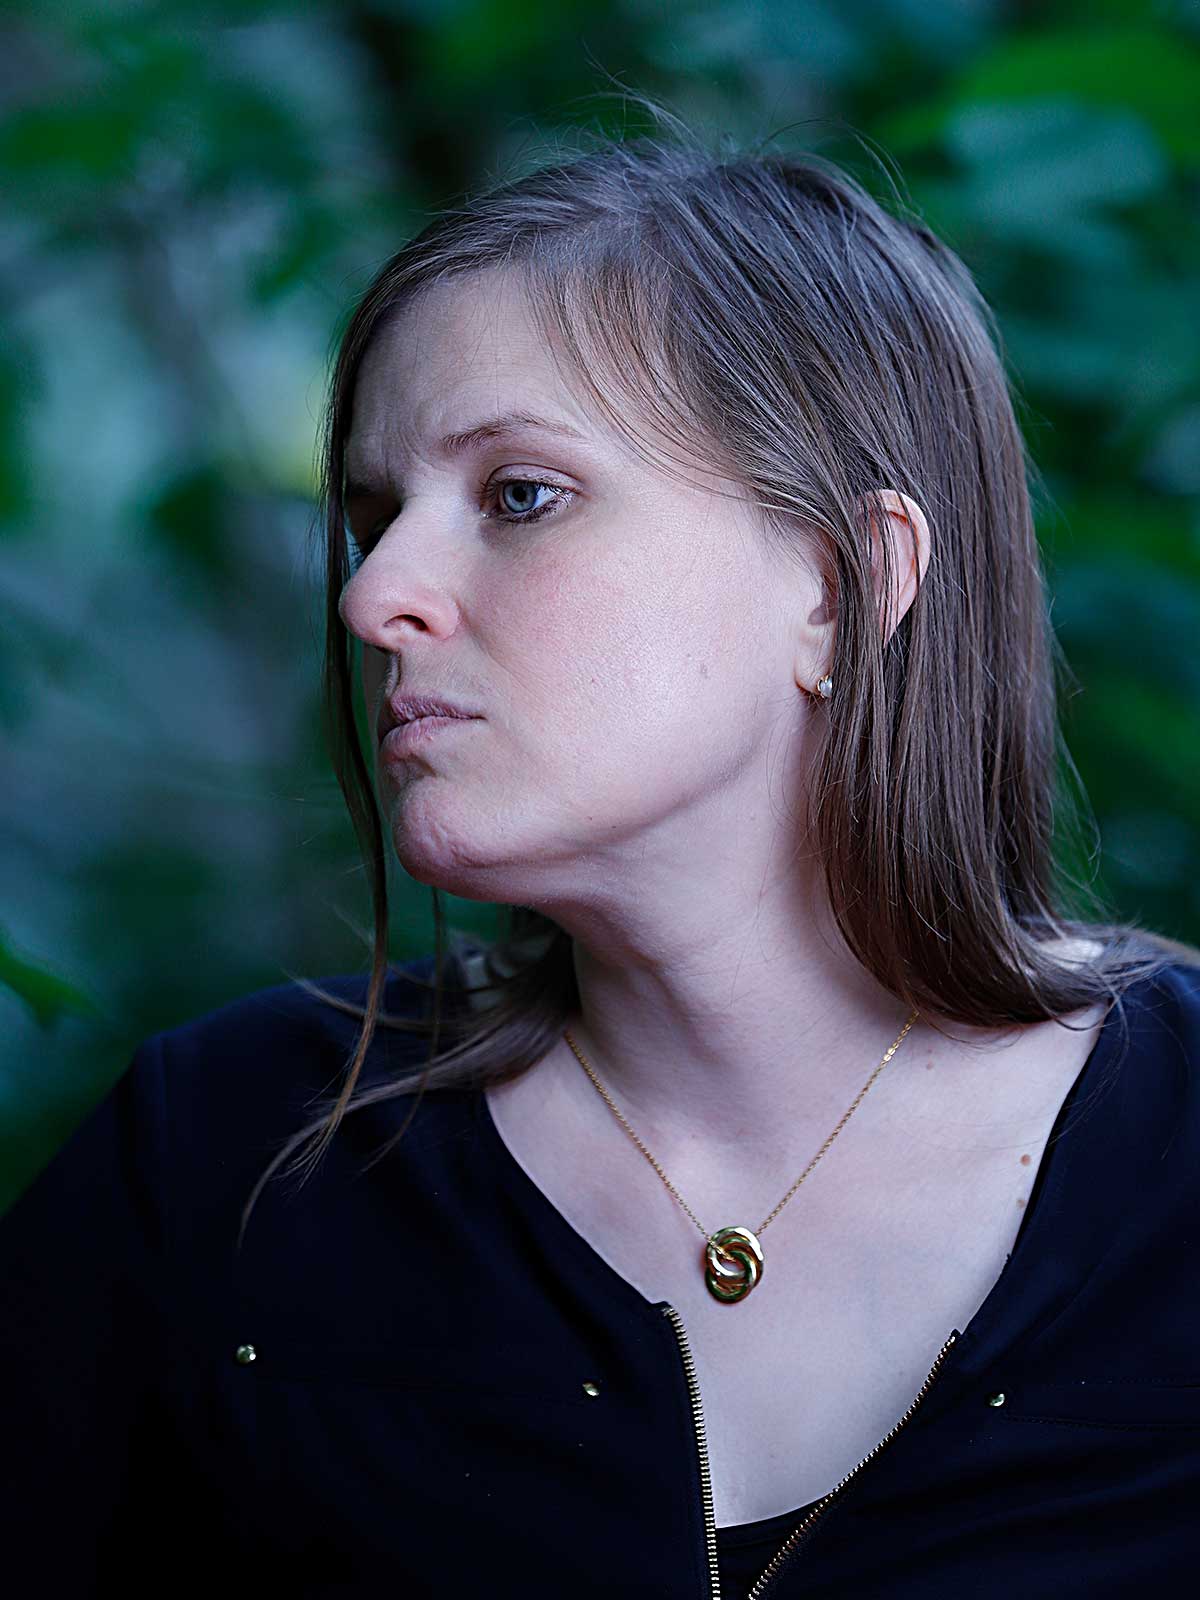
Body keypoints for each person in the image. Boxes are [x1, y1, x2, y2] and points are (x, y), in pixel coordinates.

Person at [3, 109, 1200, 1599]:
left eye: (519, 495)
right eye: (373, 518)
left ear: (842, 586)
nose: (376, 599)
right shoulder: (218, 1164)